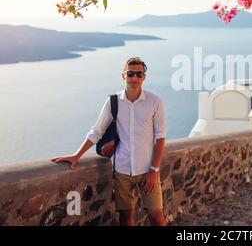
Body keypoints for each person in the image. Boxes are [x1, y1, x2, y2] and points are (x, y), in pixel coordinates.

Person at [52, 57, 167, 226]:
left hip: (147, 171)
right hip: (122, 170)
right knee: (126, 219)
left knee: (156, 217)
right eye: (130, 74)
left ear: (144, 77)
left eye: (138, 74)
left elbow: (160, 137)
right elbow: (96, 131)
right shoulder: (113, 102)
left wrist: (154, 170)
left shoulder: (154, 102)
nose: (134, 78)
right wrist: (76, 156)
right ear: (123, 76)